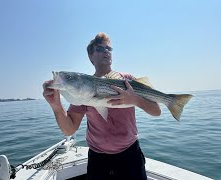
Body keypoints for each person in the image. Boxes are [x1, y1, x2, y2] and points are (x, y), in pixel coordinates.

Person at [43, 32, 161, 180]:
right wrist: (56, 105)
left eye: (108, 49)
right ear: (91, 56)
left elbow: (156, 111)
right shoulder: (82, 93)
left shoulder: (127, 80)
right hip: (98, 160)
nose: (106, 51)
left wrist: (135, 99)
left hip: (130, 155)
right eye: (100, 49)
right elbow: (69, 129)